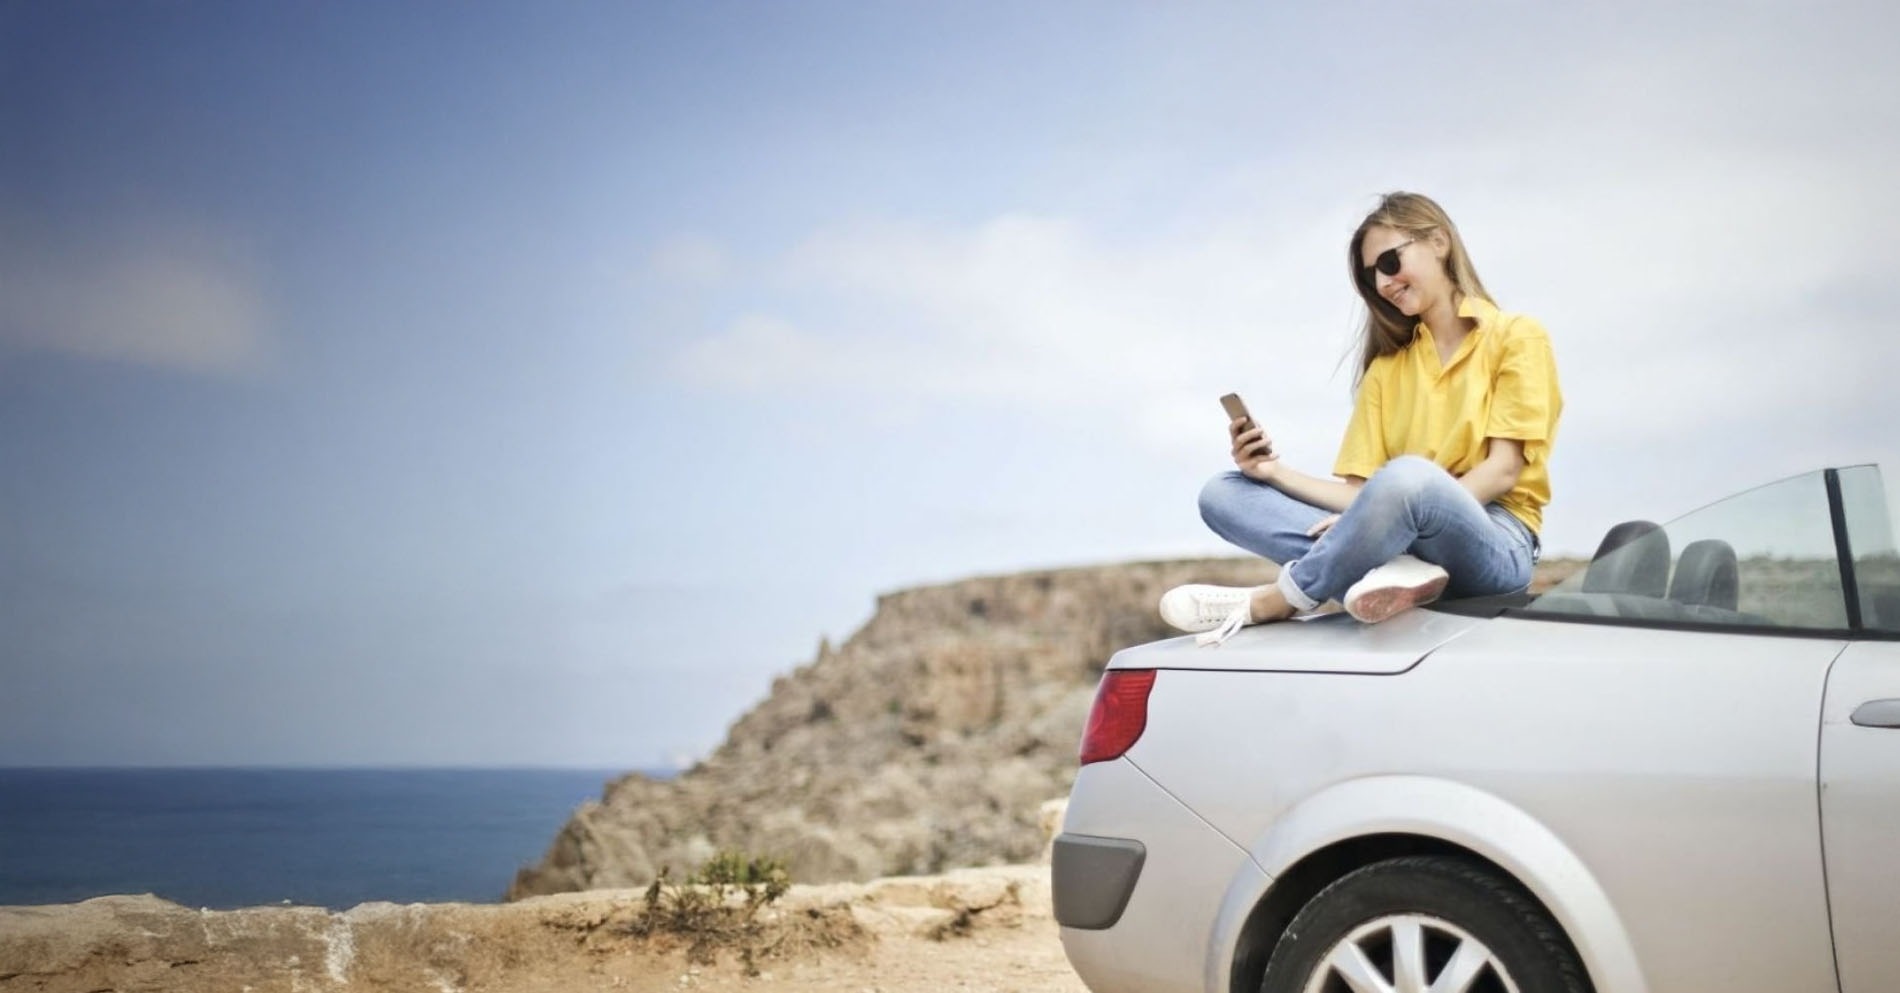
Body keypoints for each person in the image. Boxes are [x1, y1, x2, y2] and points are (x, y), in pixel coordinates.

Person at [1163, 192, 1562, 646]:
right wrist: (1273, 472)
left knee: (1410, 478)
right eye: (1373, 276)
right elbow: (1360, 496)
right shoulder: (1386, 371)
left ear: (1438, 242)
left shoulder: (1517, 336)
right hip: (1398, 539)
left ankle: (1281, 598)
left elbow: (1503, 469)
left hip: (1495, 540)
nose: (1384, 282)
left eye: (1390, 262)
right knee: (1222, 493)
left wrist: (1386, 521)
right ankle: (1390, 571)